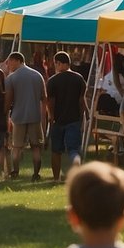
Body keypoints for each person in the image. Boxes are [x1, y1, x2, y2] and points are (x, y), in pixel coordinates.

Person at [5, 51, 48, 181]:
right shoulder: (37, 75)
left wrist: (5, 114)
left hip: (18, 116)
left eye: (10, 62)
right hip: (35, 116)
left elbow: (8, 100)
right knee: (36, 147)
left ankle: (15, 171)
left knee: (16, 147)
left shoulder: (11, 78)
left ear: (17, 60)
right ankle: (36, 173)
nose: (8, 65)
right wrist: (44, 117)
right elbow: (44, 97)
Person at [46, 51, 88, 183]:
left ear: (58, 63)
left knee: (56, 151)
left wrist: (51, 117)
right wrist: (82, 116)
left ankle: (56, 178)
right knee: (73, 150)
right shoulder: (79, 78)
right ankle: (76, 166)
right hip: (74, 119)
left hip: (58, 120)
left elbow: (51, 102)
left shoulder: (52, 81)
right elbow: (81, 100)